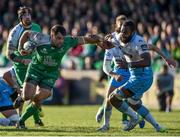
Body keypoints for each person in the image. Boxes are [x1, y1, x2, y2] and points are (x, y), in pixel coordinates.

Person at [15, 24, 103, 129]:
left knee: (40, 98)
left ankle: (21, 121)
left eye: (62, 38)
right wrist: (20, 48)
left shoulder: (67, 41)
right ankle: (24, 100)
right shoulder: (41, 38)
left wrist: (100, 40)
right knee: (27, 96)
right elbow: (26, 34)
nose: (61, 41)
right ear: (52, 35)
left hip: (50, 74)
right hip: (35, 70)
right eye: (58, 38)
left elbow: (86, 39)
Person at [106, 19, 175, 132]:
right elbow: (109, 43)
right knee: (134, 103)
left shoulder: (138, 41)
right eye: (122, 31)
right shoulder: (120, 37)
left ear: (132, 33)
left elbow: (147, 61)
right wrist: (102, 40)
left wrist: (127, 64)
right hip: (135, 76)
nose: (123, 34)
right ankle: (158, 127)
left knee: (113, 98)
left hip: (143, 77)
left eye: (126, 32)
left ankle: (134, 118)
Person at [96, 15, 145, 132]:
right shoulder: (111, 41)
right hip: (120, 72)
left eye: (125, 26)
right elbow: (105, 66)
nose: (123, 29)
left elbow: (148, 49)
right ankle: (106, 124)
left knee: (133, 100)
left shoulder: (135, 40)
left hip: (134, 72)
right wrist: (114, 74)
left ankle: (136, 116)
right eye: (121, 25)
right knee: (109, 97)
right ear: (116, 25)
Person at [6, 6, 44, 126]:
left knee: (38, 93)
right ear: (20, 18)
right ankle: (24, 121)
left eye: (29, 14)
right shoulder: (15, 32)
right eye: (25, 15)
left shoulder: (37, 27)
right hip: (21, 67)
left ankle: (36, 116)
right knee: (27, 94)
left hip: (35, 64)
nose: (28, 16)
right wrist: (22, 61)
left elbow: (40, 45)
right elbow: (9, 54)